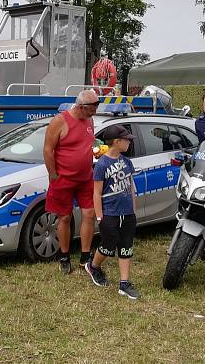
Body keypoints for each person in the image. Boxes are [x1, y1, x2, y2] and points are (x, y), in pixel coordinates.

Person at [43, 89, 99, 275]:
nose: (95, 111)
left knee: (89, 214)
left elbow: (89, 143)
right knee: (65, 217)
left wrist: (96, 152)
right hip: (63, 178)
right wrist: (53, 174)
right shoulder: (59, 121)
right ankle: (64, 256)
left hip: (85, 178)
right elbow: (48, 150)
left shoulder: (89, 120)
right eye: (93, 107)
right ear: (81, 107)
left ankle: (85, 255)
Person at [84, 124, 140, 300]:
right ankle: (93, 266)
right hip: (110, 213)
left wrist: (133, 210)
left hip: (127, 213)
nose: (129, 143)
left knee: (126, 246)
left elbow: (131, 187)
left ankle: (124, 283)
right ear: (117, 142)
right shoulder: (102, 165)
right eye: (127, 140)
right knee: (108, 246)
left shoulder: (127, 162)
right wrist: (100, 216)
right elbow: (96, 193)